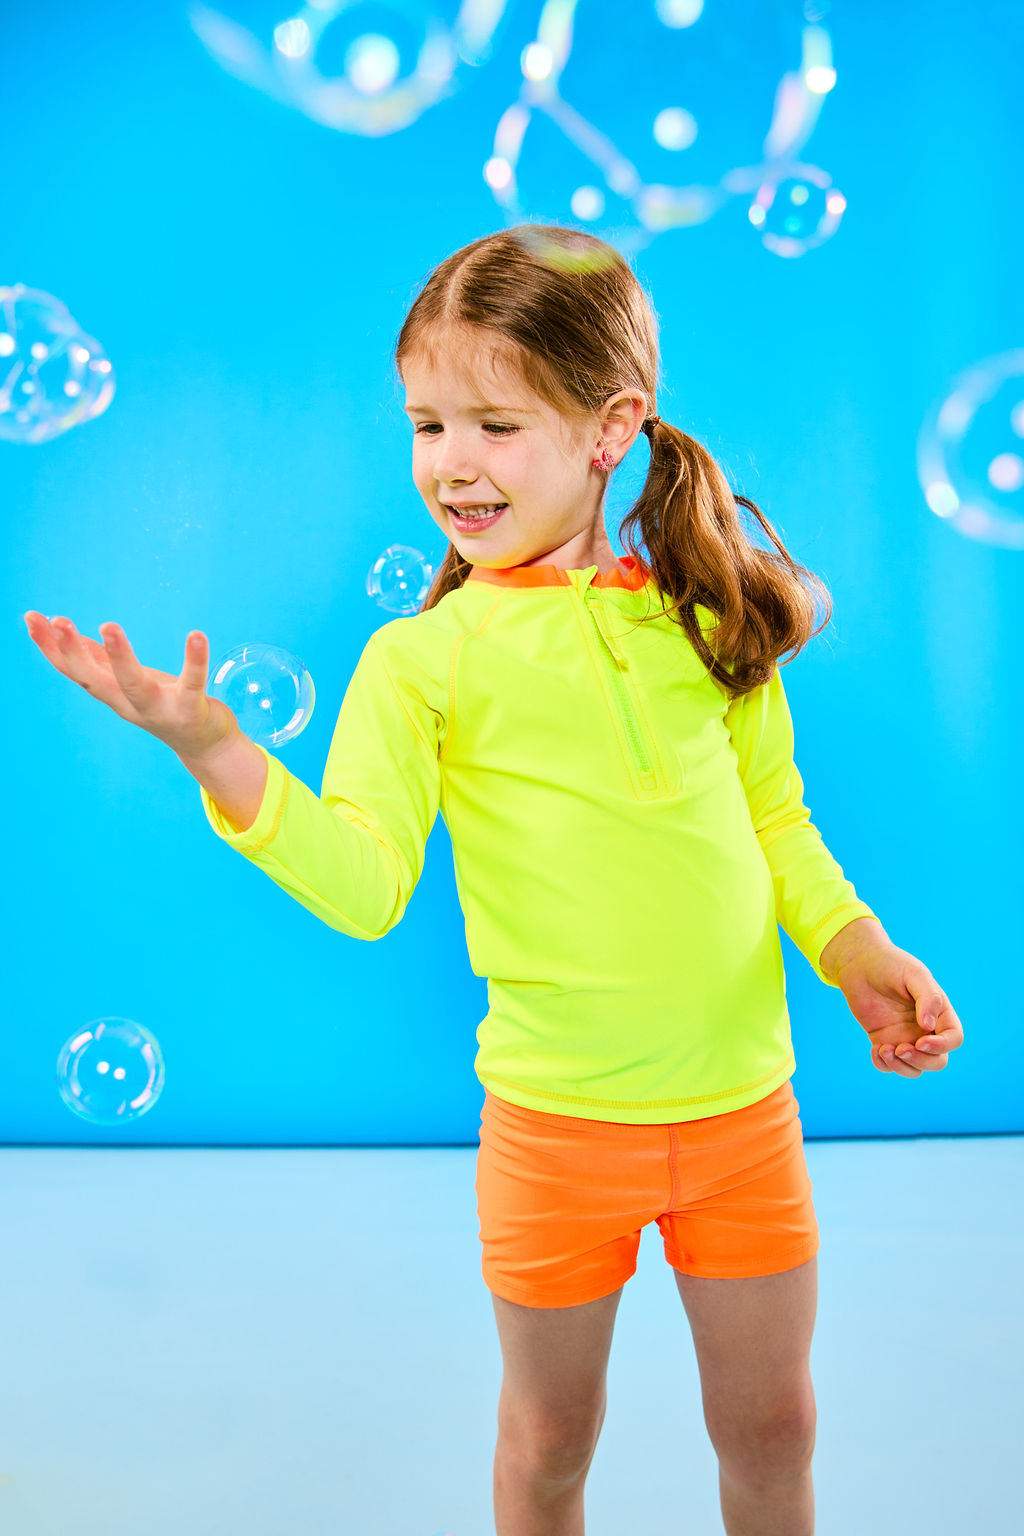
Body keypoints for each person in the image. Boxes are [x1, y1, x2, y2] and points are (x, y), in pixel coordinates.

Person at [23, 221, 964, 1536]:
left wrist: (858, 954)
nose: (452, 466)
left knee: (776, 1426)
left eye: (494, 425)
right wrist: (216, 751)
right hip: (556, 1135)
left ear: (609, 426)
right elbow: (360, 884)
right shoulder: (422, 667)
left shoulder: (703, 621)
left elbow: (779, 827)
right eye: (426, 425)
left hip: (746, 1120)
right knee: (547, 1444)